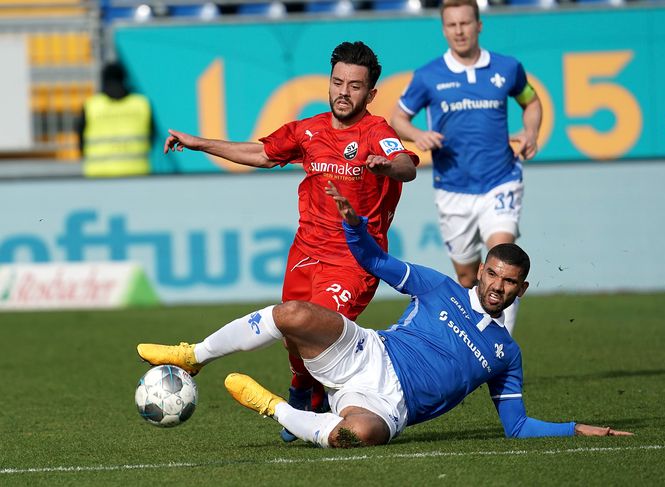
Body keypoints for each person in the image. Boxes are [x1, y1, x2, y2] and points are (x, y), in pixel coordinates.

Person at [137, 182, 632, 448]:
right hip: (366, 353)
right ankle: (194, 354)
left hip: (391, 407)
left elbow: (517, 427)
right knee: (291, 312)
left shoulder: (507, 353)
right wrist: (354, 225)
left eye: (509, 283)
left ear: (521, 288)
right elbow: (376, 262)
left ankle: (274, 408)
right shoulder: (441, 286)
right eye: (493, 275)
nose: (498, 287)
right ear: (481, 271)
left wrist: (576, 429)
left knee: (357, 436)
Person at [160, 41, 419, 439]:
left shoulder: (376, 131)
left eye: (354, 86)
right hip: (305, 252)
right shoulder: (308, 129)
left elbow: (405, 164)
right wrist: (200, 143)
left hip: (352, 261)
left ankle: (322, 401)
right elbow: (263, 153)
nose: (343, 92)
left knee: (317, 331)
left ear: (370, 94)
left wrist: (388, 165)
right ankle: (303, 393)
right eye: (337, 82)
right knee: (291, 333)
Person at [390, 0, 542, 335]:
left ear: (479, 25)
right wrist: (419, 135)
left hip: (501, 180)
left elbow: (530, 101)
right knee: (468, 277)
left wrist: (531, 132)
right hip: (452, 189)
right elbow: (398, 119)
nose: (459, 31)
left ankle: (500, 349)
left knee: (502, 261)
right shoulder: (428, 76)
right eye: (452, 25)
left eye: (465, 23)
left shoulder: (507, 68)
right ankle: (476, 339)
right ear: (444, 29)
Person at [76, 61, 154, 177]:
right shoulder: (141, 104)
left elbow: (80, 140)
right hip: (136, 173)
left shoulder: (92, 106)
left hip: (98, 175)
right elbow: (152, 136)